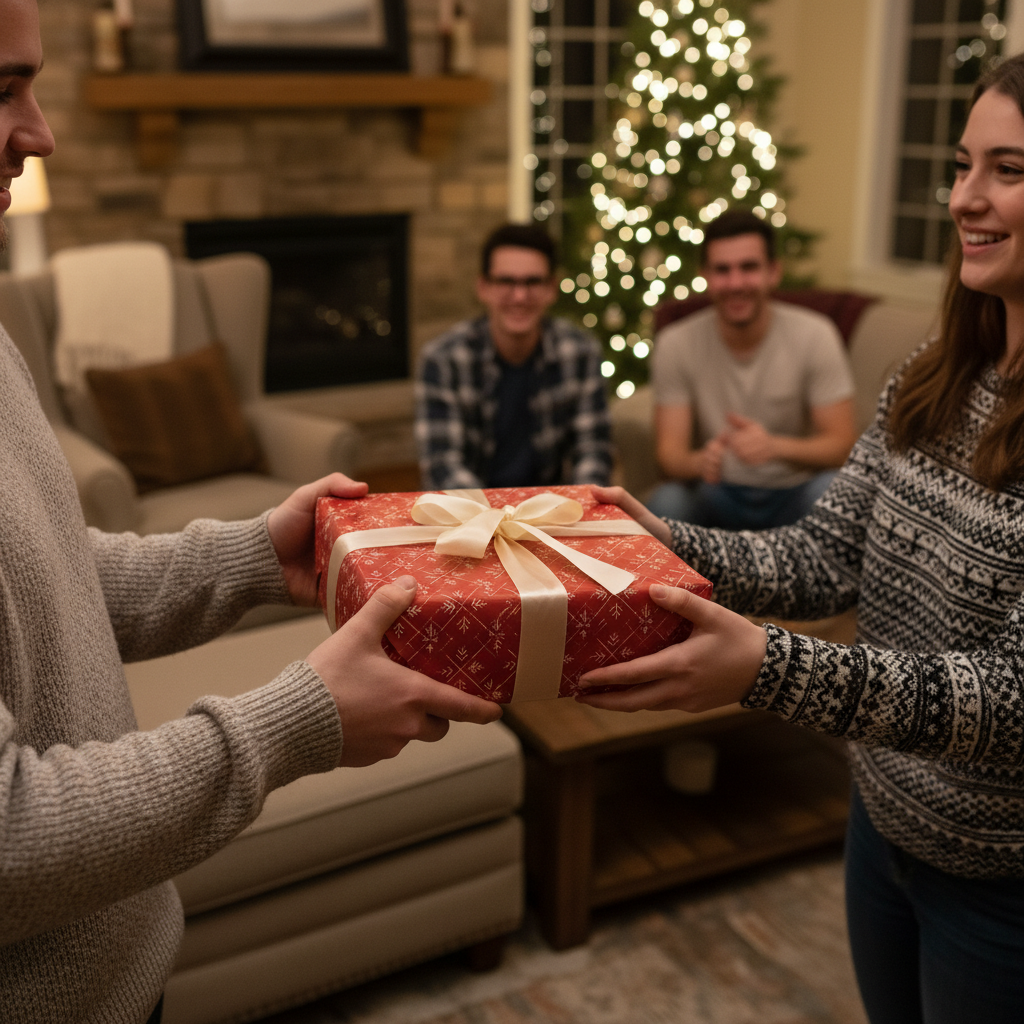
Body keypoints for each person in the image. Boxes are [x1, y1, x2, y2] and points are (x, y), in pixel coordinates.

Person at [0, 3, 500, 1020]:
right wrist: (301, 718)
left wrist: (251, 558)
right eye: (2, 89)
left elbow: (44, 573)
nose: (42, 131)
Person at [576, 54, 1024, 1024]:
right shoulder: (929, 374)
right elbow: (821, 555)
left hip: (997, 881)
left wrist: (763, 669)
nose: (964, 199)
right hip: (880, 825)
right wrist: (658, 538)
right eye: (960, 165)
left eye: (1007, 169)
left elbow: (1009, 695)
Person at [647, 209, 857, 529]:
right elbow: (670, 455)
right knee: (666, 501)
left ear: (773, 272)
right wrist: (699, 461)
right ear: (705, 275)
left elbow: (842, 445)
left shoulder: (816, 334)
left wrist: (775, 447)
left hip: (793, 494)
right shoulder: (675, 342)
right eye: (722, 270)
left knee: (832, 491)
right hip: (716, 494)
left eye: (749, 268)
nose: (735, 283)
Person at [415, 222, 612, 490]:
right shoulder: (443, 359)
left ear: (551, 288)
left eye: (533, 282)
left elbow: (594, 452)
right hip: (469, 516)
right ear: (483, 287)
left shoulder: (581, 353)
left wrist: (574, 506)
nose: (519, 296)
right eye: (506, 281)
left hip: (551, 515)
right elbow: (442, 464)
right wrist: (492, 520)